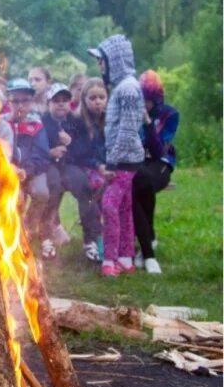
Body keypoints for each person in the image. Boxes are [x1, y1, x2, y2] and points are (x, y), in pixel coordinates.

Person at [89, 35, 145, 277]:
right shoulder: (124, 87)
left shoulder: (129, 89)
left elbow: (129, 128)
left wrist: (113, 161)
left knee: (109, 205)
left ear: (115, 60)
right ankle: (126, 257)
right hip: (123, 158)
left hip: (124, 160)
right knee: (123, 207)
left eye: (102, 61)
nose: (100, 66)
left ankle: (110, 259)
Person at [132, 70, 179, 274]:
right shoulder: (130, 112)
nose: (143, 104)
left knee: (143, 181)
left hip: (161, 162)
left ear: (156, 99)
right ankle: (148, 246)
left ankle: (147, 247)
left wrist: (148, 123)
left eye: (147, 100)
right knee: (135, 184)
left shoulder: (170, 114)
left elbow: (160, 148)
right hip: (137, 162)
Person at [0, 78, 51, 252]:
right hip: (7, 173)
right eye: (15, 100)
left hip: (31, 171)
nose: (20, 105)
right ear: (8, 101)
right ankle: (13, 231)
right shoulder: (1, 123)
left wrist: (26, 170)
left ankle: (28, 226)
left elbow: (42, 155)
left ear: (32, 101)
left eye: (25, 100)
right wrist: (10, 170)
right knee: (16, 198)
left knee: (42, 192)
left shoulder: (36, 125)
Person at [62, 77, 108, 262]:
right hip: (76, 164)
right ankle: (90, 241)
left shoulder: (110, 120)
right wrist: (98, 165)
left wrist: (106, 165)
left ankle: (112, 240)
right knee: (86, 188)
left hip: (102, 166)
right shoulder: (75, 120)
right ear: (84, 99)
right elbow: (77, 151)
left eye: (101, 97)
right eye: (92, 97)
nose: (97, 102)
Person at [40, 83, 77, 259]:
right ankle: (47, 230)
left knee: (79, 182)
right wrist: (50, 152)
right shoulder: (42, 121)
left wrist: (71, 144)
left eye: (65, 100)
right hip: (48, 164)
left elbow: (84, 149)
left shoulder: (75, 121)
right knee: (54, 184)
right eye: (56, 100)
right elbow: (37, 147)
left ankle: (93, 236)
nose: (61, 104)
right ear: (48, 103)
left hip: (70, 164)